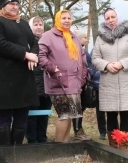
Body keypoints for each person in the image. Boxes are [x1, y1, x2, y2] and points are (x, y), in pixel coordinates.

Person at [0, 0, 39, 146]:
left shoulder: (22, 23)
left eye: (16, 4)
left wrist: (33, 54)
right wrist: (25, 54)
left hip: (23, 79)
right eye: (11, 4)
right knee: (4, 117)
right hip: (3, 79)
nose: (15, 7)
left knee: (22, 117)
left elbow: (33, 41)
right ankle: (6, 152)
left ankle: (17, 151)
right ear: (2, 6)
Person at [92, 8, 128, 148]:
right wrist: (107, 65)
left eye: (113, 17)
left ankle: (124, 145)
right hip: (109, 80)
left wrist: (122, 63)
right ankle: (114, 145)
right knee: (111, 114)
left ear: (117, 17)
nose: (111, 20)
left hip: (127, 80)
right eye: (107, 18)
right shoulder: (100, 38)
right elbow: (95, 58)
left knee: (126, 113)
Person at [38, 10, 87, 143]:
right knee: (64, 116)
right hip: (57, 83)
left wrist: (82, 76)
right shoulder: (48, 36)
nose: (66, 20)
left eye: (69, 18)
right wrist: (54, 69)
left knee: (72, 115)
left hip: (74, 83)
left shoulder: (73, 37)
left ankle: (65, 145)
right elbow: (41, 56)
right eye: (63, 18)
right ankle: (58, 147)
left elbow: (82, 57)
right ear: (57, 20)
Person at [26, 16, 52, 143]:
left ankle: (42, 138)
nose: (38, 27)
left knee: (44, 114)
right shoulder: (27, 42)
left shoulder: (48, 41)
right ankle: (32, 139)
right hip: (32, 85)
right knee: (32, 114)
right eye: (35, 24)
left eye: (40, 24)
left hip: (47, 84)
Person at [71, 30, 93, 141]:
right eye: (84, 37)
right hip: (77, 84)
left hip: (83, 83)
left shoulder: (83, 50)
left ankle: (79, 129)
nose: (86, 39)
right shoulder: (74, 50)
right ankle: (77, 130)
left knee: (81, 108)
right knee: (77, 109)